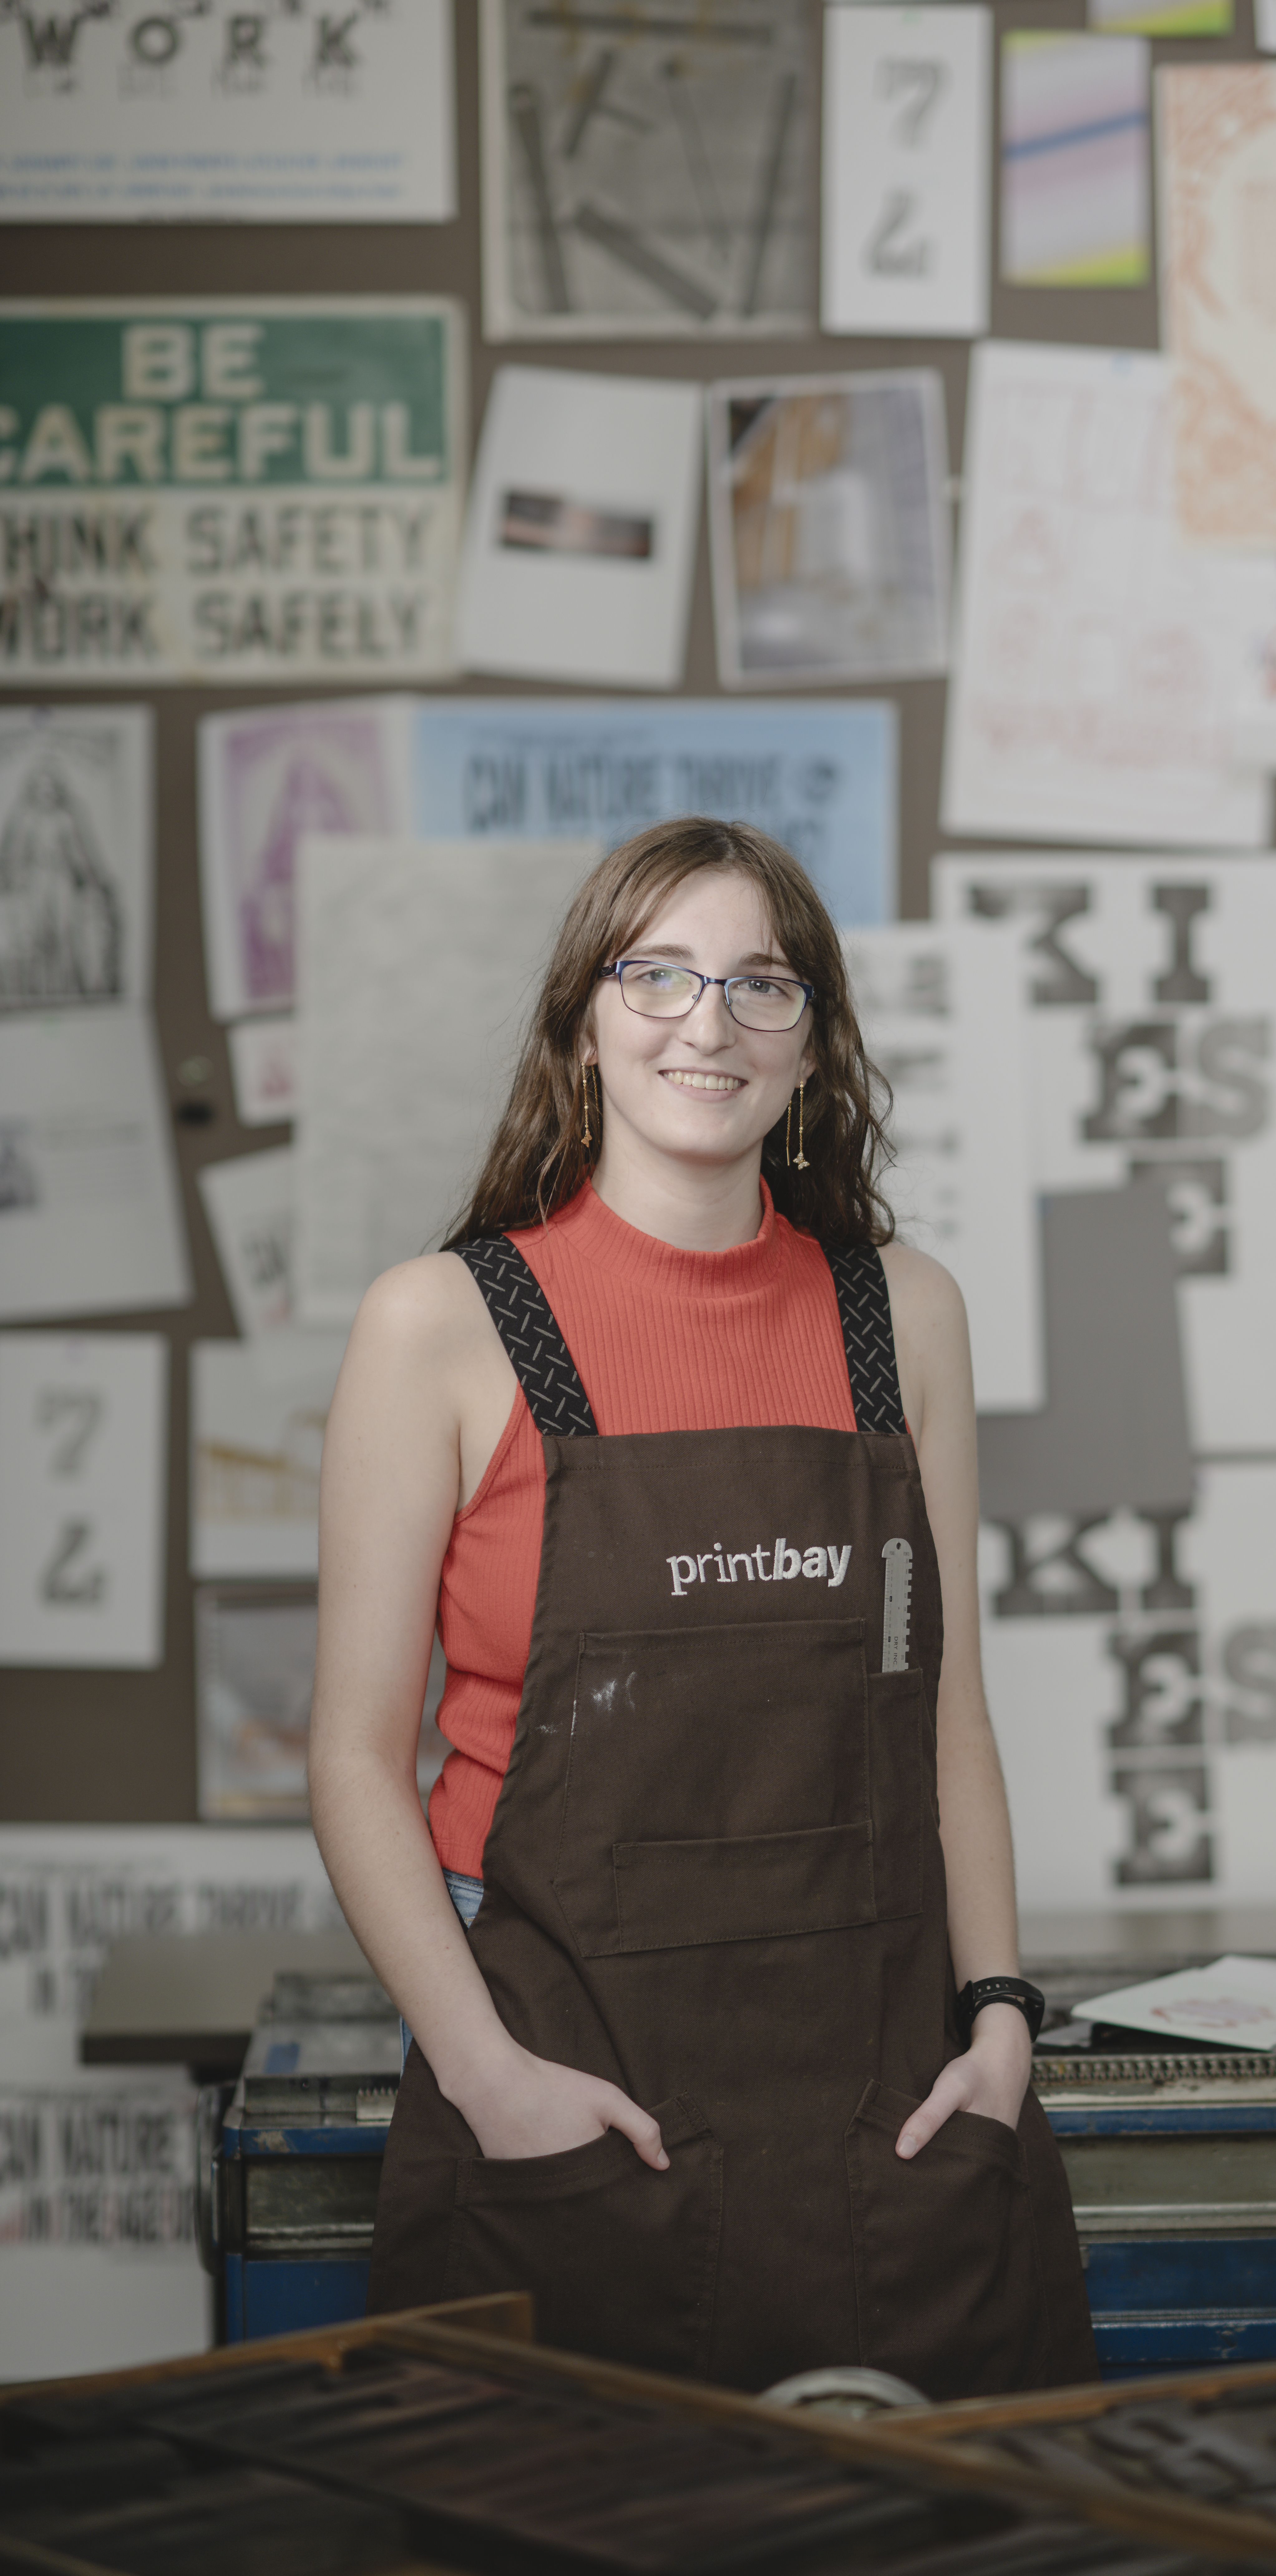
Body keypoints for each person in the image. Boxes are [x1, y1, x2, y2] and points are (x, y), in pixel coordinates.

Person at [308, 817, 1096, 2399]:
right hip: (565, 2085)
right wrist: (485, 2075)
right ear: (584, 1026)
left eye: (760, 986)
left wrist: (1001, 2020)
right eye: (656, 974)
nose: (707, 1023)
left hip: (881, 2106)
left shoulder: (902, 1313)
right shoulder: (442, 1325)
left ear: (812, 1045)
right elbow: (347, 1760)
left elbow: (943, 1713)